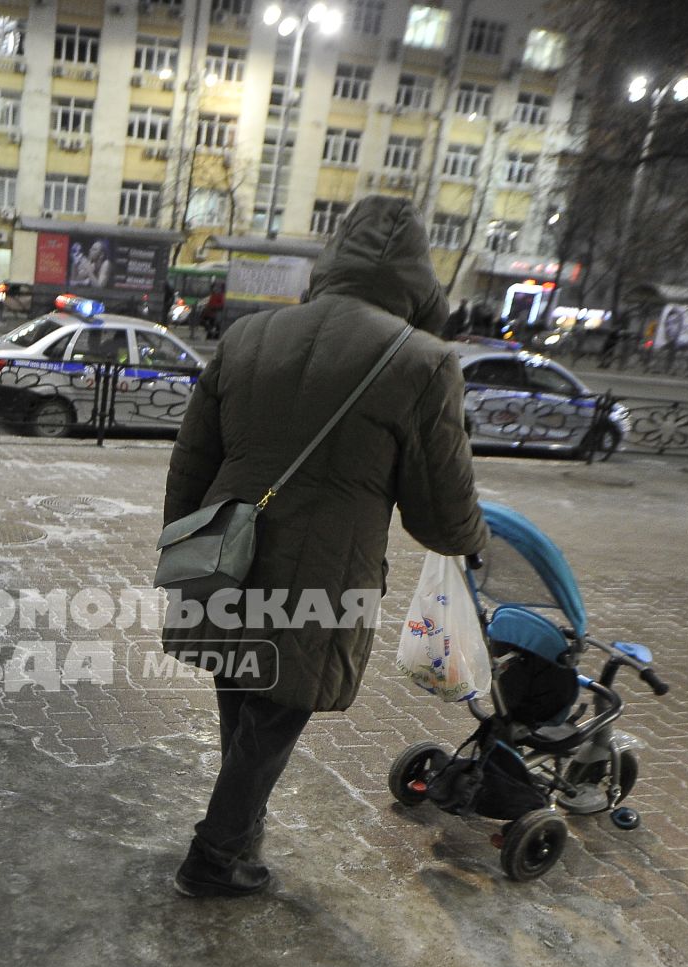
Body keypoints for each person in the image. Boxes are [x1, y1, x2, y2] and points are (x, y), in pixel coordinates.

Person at [159, 196, 487, 898]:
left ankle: (238, 835)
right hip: (322, 578)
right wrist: (472, 539)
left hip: (223, 557)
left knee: (245, 701)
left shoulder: (250, 335)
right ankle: (216, 855)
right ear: (416, 279)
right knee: (273, 718)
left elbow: (190, 461)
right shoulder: (422, 361)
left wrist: (183, 553)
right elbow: (442, 515)